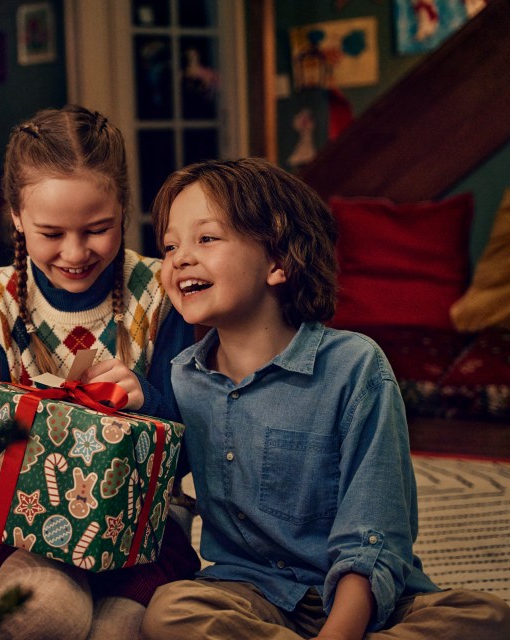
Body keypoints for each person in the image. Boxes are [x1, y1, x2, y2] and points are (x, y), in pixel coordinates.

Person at [141, 157, 510, 640]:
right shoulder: (183, 378)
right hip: (253, 594)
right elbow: (152, 482)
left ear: (279, 261)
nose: (180, 258)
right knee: (171, 612)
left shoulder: (355, 367)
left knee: (489, 617)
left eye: (206, 238)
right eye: (170, 245)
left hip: (371, 602)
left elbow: (374, 530)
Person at [0, 105, 199, 640]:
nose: (75, 252)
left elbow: (194, 448)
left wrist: (148, 403)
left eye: (98, 229)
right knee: (54, 612)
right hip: (20, 527)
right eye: (51, 232)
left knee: (115, 633)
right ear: (16, 217)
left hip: (145, 529)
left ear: (124, 209)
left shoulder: (160, 293)